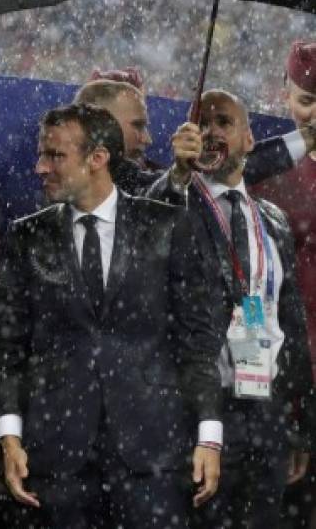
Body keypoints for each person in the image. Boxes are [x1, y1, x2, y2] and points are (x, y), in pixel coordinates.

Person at [0, 103, 222, 528]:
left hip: (153, 453)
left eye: (55, 155)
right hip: (57, 457)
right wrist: (10, 439)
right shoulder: (26, 235)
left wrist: (210, 436)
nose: (41, 167)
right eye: (43, 154)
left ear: (98, 158)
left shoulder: (167, 225)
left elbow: (197, 340)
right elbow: (8, 347)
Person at [149, 89, 316, 528]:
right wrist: (177, 176)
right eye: (200, 123)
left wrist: (301, 422)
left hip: (267, 408)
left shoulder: (272, 220)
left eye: (222, 122)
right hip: (201, 414)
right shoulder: (179, 207)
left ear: (248, 139)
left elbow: (290, 324)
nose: (210, 132)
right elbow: (148, 220)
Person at [251, 41, 316, 529]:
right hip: (289, 378)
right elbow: (247, 295)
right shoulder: (265, 176)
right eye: (307, 100)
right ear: (285, 96)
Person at [74, 76, 314, 197]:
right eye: (137, 126)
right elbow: (198, 190)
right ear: (102, 124)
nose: (146, 139)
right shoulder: (103, 186)